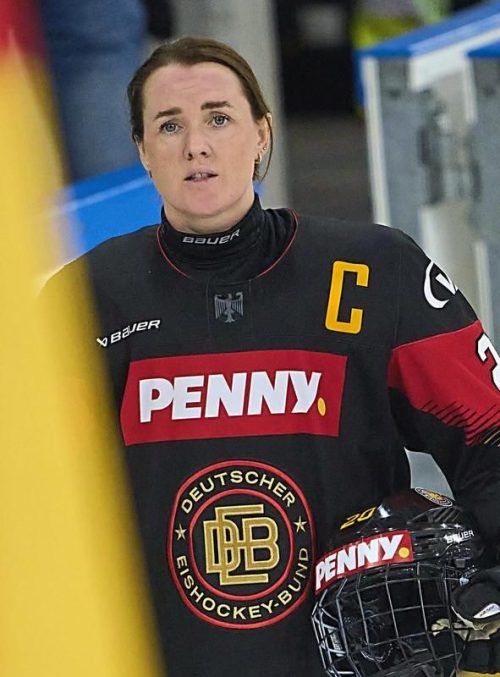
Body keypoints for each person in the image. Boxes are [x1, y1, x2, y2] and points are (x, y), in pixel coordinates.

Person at [43, 37, 500, 677]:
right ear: (142, 150)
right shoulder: (87, 298)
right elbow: (33, 495)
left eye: (218, 118)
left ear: (261, 133)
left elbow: (488, 438)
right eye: (169, 125)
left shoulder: (375, 271)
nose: (196, 145)